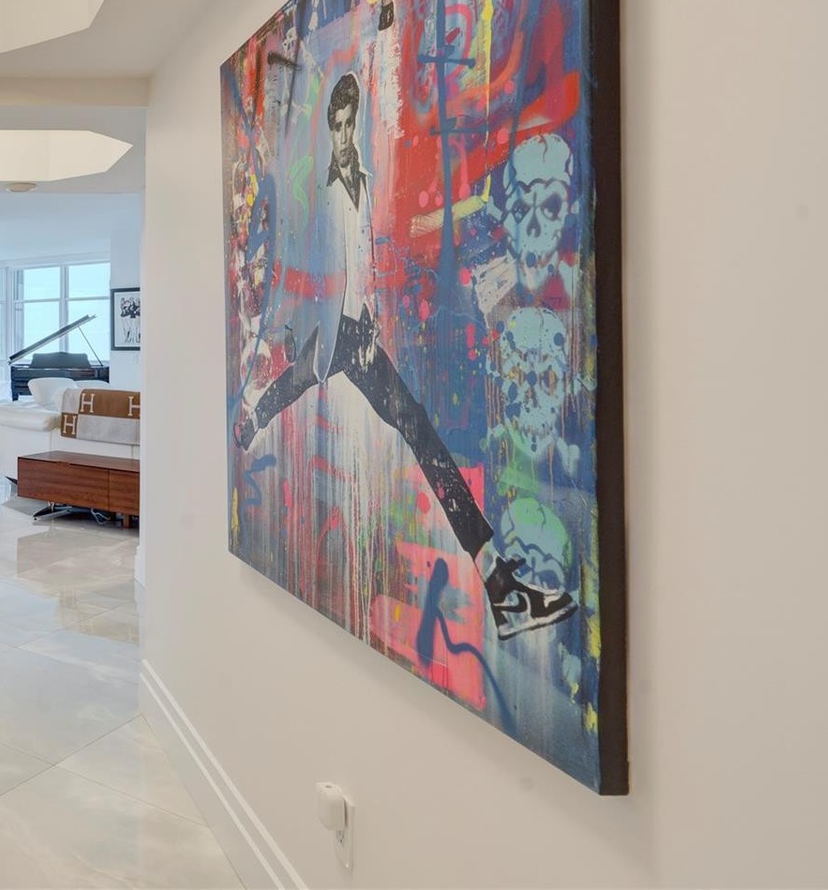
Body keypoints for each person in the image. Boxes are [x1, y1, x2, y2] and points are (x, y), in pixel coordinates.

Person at [232, 72, 573, 640]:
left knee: (416, 428)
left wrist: (372, 311)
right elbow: (304, 264)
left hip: (359, 332)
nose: (344, 136)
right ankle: (253, 421)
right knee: (299, 383)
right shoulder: (321, 193)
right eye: (337, 127)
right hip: (332, 330)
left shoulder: (365, 182)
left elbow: (373, 251)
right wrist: (302, 324)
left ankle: (495, 579)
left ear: (357, 125)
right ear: (330, 129)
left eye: (350, 126)